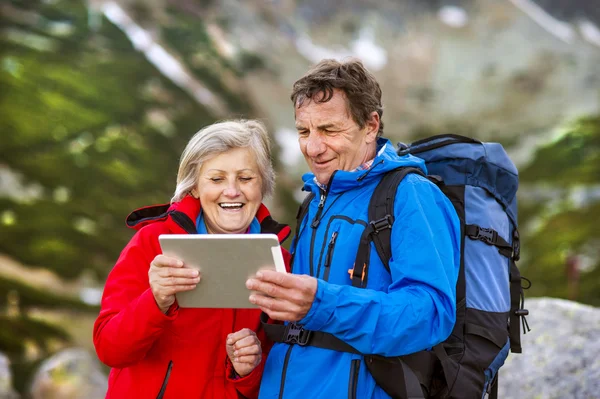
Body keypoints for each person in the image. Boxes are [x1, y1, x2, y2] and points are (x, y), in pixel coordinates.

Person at [246, 59, 461, 398]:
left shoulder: (411, 195)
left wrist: (321, 304)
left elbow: (429, 313)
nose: (313, 148)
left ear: (371, 125)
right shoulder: (317, 197)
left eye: (329, 130)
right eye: (304, 132)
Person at [93, 119, 291, 399]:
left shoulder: (280, 261)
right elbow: (110, 349)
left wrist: (249, 370)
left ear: (262, 186)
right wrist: (156, 301)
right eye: (216, 179)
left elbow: (289, 373)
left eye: (246, 178)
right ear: (194, 187)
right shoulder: (153, 242)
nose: (232, 191)